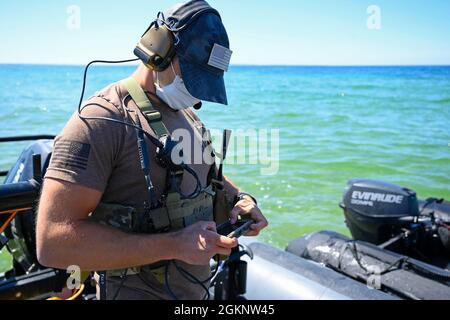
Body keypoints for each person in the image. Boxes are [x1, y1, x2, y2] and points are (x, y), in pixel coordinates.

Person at [36, 0, 268, 300]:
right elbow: (52, 243)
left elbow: (207, 177)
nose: (196, 91)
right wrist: (174, 244)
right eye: (192, 76)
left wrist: (241, 200)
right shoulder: (102, 120)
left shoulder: (186, 114)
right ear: (159, 50)